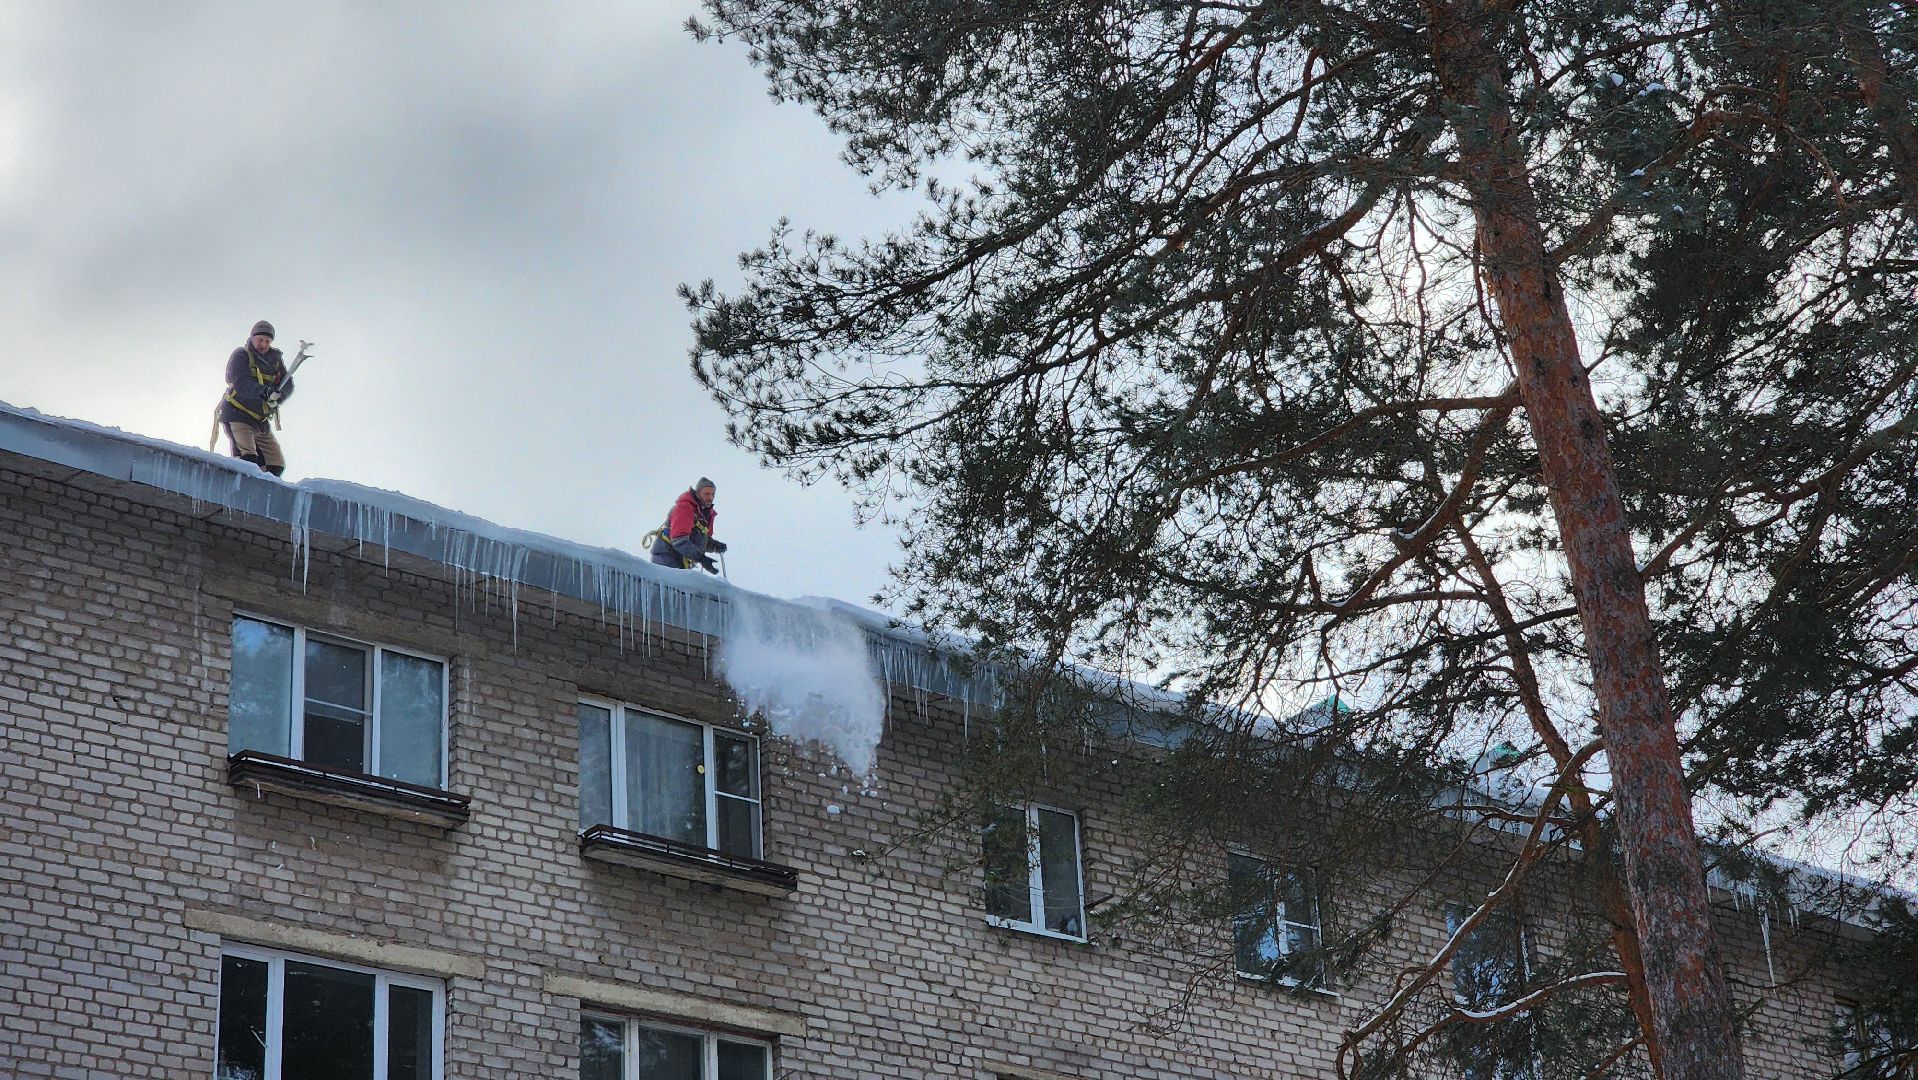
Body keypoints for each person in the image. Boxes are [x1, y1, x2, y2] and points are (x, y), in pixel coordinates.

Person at [219, 320, 296, 476]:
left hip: (260, 421)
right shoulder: (242, 355)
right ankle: (242, 490)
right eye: (260, 340)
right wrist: (265, 392)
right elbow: (241, 383)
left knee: (275, 464)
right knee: (248, 460)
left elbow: (287, 384)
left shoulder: (275, 360)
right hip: (237, 414)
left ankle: (264, 492)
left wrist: (279, 397)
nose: (263, 344)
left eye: (267, 341)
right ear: (253, 338)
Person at [649, 478, 727, 573]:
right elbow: (679, 540)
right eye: (706, 494)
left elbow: (698, 540)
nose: (710, 497)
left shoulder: (704, 515)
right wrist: (701, 558)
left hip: (679, 560)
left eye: (712, 494)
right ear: (698, 493)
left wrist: (714, 545)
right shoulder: (685, 509)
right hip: (666, 558)